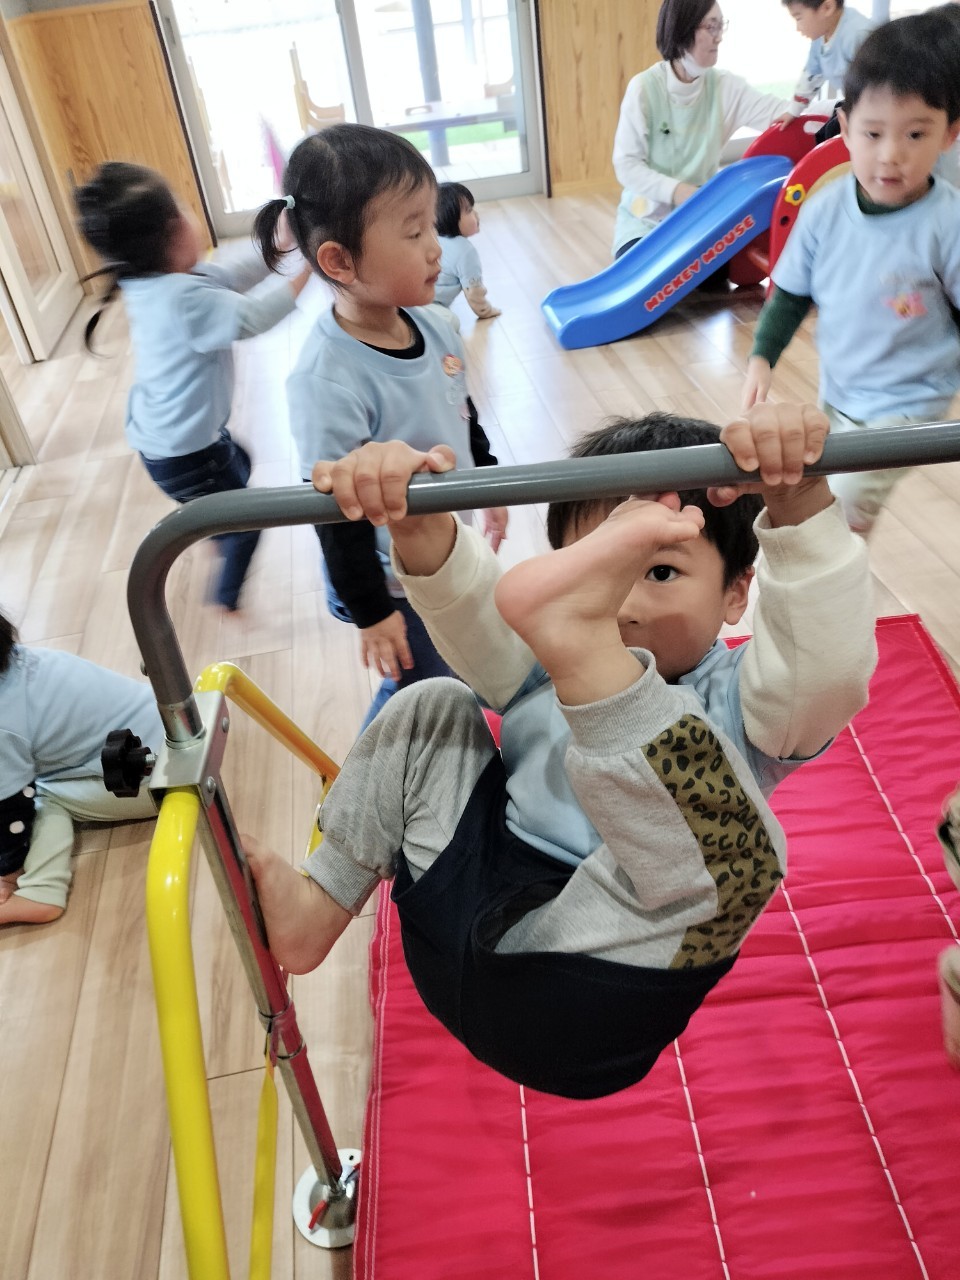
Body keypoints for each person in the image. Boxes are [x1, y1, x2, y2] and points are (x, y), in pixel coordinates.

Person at [244, 402, 877, 1100]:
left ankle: (585, 646)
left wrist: (799, 505)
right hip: (460, 918)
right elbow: (470, 609)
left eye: (659, 572)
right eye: (597, 572)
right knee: (432, 707)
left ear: (735, 593)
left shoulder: (747, 701)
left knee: (740, 855)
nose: (623, 606)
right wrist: (416, 523)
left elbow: (826, 668)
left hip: (586, 989)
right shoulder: (535, 668)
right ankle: (322, 902)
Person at [254, 124, 508, 731]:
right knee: (423, 687)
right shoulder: (326, 377)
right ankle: (365, 776)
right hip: (389, 579)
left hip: (439, 549)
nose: (436, 248)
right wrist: (372, 611)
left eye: (432, 226)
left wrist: (490, 485)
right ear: (339, 260)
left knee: (454, 666)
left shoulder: (437, 324)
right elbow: (331, 509)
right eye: (414, 233)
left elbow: (461, 413)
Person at [742, 11, 960, 535]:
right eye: (873, 133)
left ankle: (837, 569)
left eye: (915, 134)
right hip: (839, 391)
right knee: (815, 497)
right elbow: (790, 293)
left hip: (910, 404)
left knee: (841, 513)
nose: (891, 155)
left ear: (950, 135)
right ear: (844, 129)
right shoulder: (824, 211)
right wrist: (762, 357)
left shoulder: (947, 222)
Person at [74, 162, 312, 612]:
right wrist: (307, 272)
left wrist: (280, 248)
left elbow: (233, 277)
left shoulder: (156, 282)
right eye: (183, 207)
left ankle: (209, 523)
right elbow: (252, 318)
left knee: (240, 460)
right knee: (248, 520)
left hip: (169, 443)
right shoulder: (183, 299)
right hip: (186, 453)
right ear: (173, 230)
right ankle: (225, 596)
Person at [0, 609, 162, 926]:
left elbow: (10, 812)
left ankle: (40, 892)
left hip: (154, 778)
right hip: (174, 727)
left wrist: (7, 872)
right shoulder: (24, 663)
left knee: (35, 795)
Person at [611, 0, 791, 258]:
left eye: (721, 26)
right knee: (650, 272)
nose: (719, 37)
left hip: (700, 221)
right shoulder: (644, 89)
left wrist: (841, 107)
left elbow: (783, 113)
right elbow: (626, 165)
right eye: (711, 27)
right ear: (682, 29)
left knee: (717, 271)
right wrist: (679, 192)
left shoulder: (726, 87)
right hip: (646, 221)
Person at [779, 0, 875, 127]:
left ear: (827, 7)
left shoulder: (857, 35)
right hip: (856, 105)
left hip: (877, 108)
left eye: (799, 18)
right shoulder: (821, 35)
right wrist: (793, 111)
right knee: (826, 131)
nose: (798, 28)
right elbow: (811, 75)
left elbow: (878, 86)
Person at [434, 182, 501, 320]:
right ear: (450, 218)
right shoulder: (465, 251)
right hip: (429, 306)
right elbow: (474, 291)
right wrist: (486, 311)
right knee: (451, 321)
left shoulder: (433, 238)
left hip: (408, 304)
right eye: (469, 210)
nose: (476, 213)